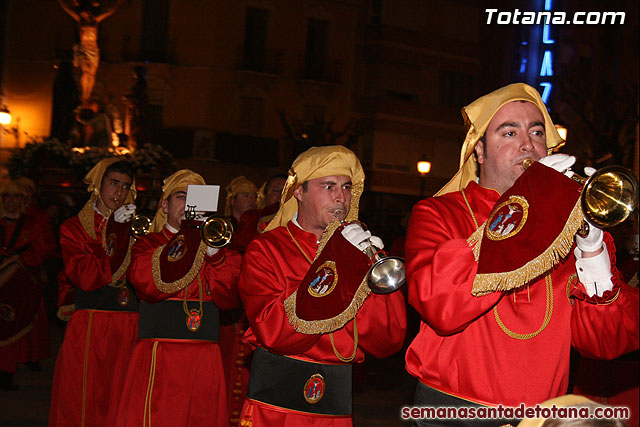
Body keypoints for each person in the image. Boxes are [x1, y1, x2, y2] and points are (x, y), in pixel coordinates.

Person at [404, 83, 639, 425]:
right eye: (509, 132)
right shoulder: (438, 213)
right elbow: (440, 304)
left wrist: (593, 249)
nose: (527, 144)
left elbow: (607, 342)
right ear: (480, 152)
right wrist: (526, 207)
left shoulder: (567, 227)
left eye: (537, 132)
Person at [238, 145, 406, 426]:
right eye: (328, 186)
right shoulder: (266, 249)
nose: (341, 197)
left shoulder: (360, 251)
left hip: (336, 407)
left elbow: (386, 341)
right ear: (299, 192)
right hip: (277, 408)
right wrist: (341, 264)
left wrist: (365, 271)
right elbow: (274, 333)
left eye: (347, 187)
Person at [116, 169, 242, 426]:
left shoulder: (219, 248)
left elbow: (229, 299)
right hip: (160, 352)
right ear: (164, 204)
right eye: (181, 197)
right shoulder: (148, 244)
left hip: (204, 355)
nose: (188, 205)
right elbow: (147, 286)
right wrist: (188, 240)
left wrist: (216, 257)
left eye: (195, 198)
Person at [49, 158, 139, 426]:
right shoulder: (74, 228)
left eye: (126, 186)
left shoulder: (137, 226)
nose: (119, 193)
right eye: (113, 184)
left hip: (129, 321)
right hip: (92, 322)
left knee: (121, 393)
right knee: (84, 395)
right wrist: (117, 234)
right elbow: (87, 277)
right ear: (99, 186)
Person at [0, 181, 53, 390]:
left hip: (19, 286)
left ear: (23, 201)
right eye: (7, 197)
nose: (12, 202)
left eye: (16, 197)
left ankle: (5, 374)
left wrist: (18, 260)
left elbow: (42, 251)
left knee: (12, 325)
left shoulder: (32, 224)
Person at [57, 0, 126, 106]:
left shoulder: (95, 22)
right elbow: (67, 9)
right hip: (84, 49)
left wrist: (118, 3)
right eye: (81, 14)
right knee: (86, 72)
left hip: (94, 50)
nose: (83, 15)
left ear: (88, 13)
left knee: (92, 74)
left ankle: (88, 95)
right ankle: (85, 95)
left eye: (84, 13)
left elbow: (109, 12)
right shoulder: (80, 21)